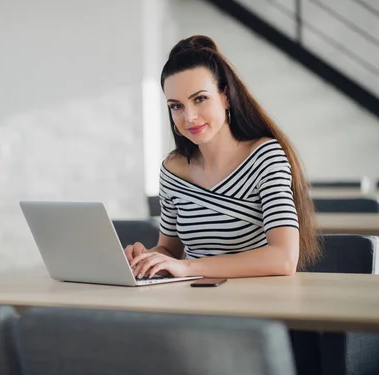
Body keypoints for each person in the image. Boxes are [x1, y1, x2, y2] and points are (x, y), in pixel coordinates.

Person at [126, 35, 319, 280]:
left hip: (259, 300)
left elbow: (284, 258)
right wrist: (146, 259)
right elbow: (171, 249)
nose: (190, 117)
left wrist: (188, 267)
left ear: (225, 96)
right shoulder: (172, 170)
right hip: (195, 299)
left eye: (200, 99)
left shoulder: (265, 157)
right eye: (176, 106)